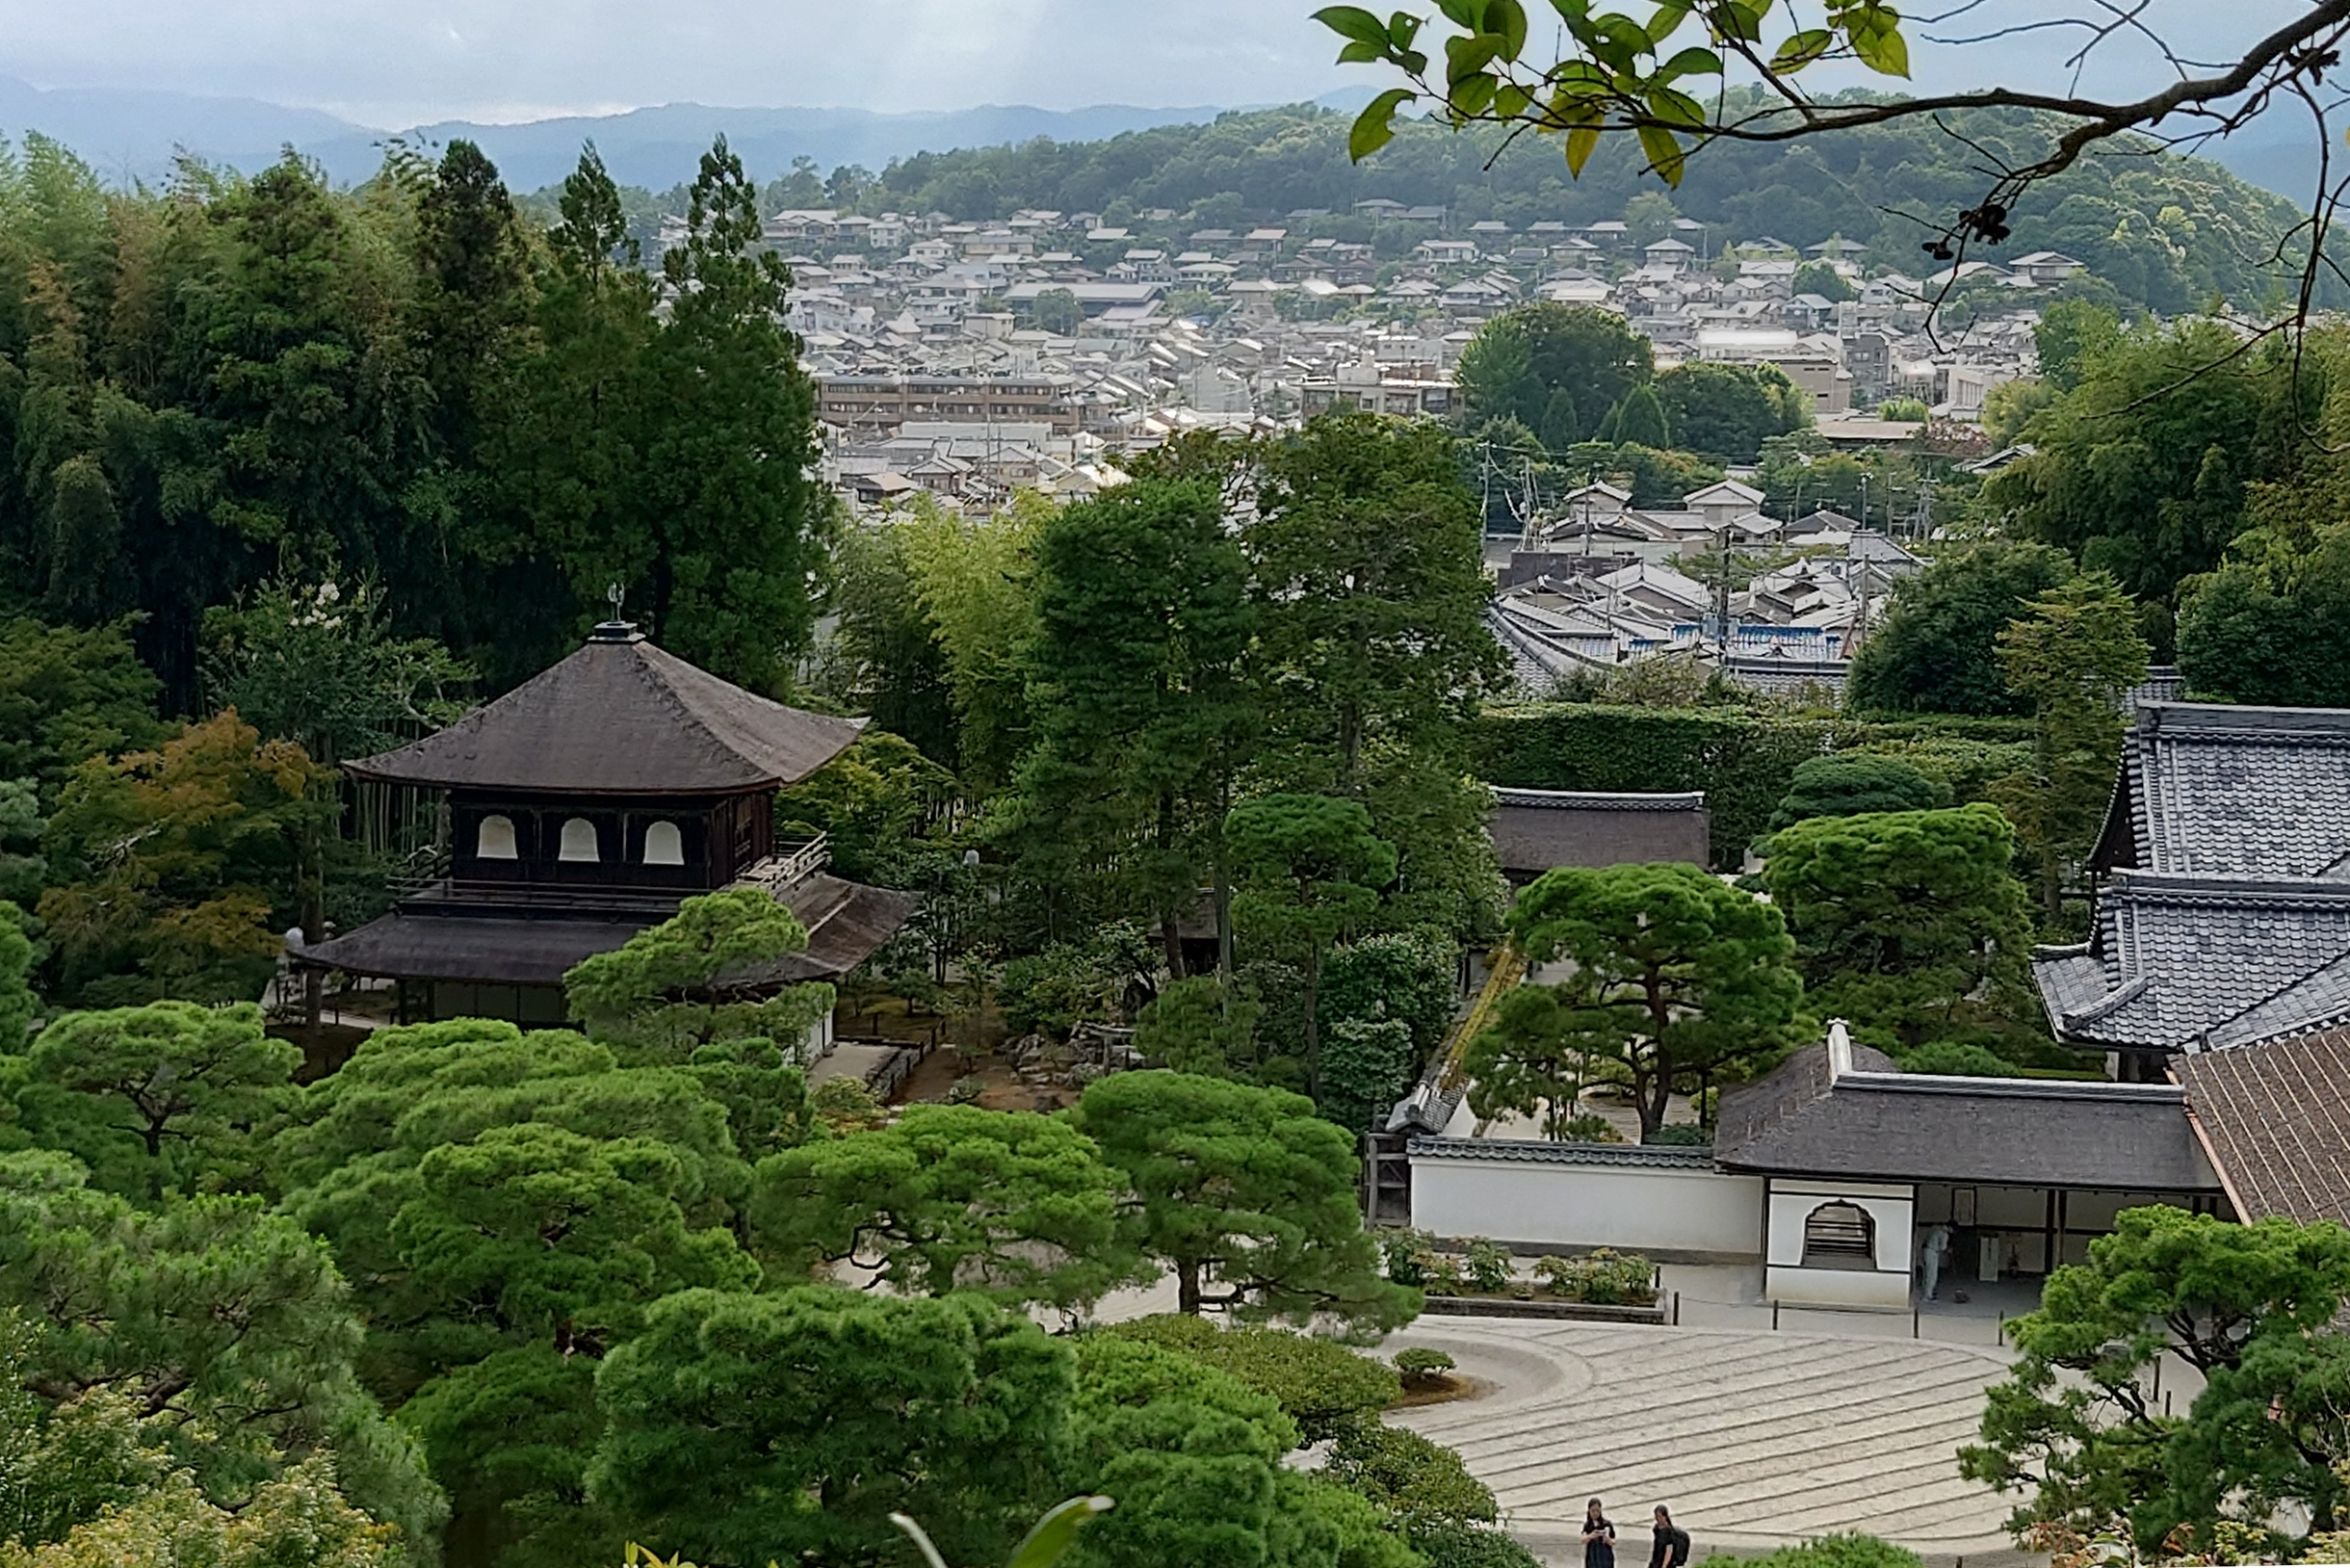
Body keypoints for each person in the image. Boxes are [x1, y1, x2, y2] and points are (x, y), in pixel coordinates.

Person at [1918, 1222, 1953, 1302]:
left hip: (1925, 1250)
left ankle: (1925, 1292)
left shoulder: (1935, 1227)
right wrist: (1948, 1250)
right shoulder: (1945, 1234)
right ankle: (1927, 1296)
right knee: (1932, 1275)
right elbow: (1942, 1248)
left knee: (1926, 1273)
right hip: (1933, 1252)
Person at [1582, 1500, 1616, 1568]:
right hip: (1592, 1556)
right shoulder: (1588, 1525)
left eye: (1597, 1511)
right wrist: (1591, 1536)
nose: (1595, 1513)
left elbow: (1613, 1541)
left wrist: (1607, 1539)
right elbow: (1583, 1540)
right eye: (1593, 1511)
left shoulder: (1607, 1524)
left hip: (1605, 1556)